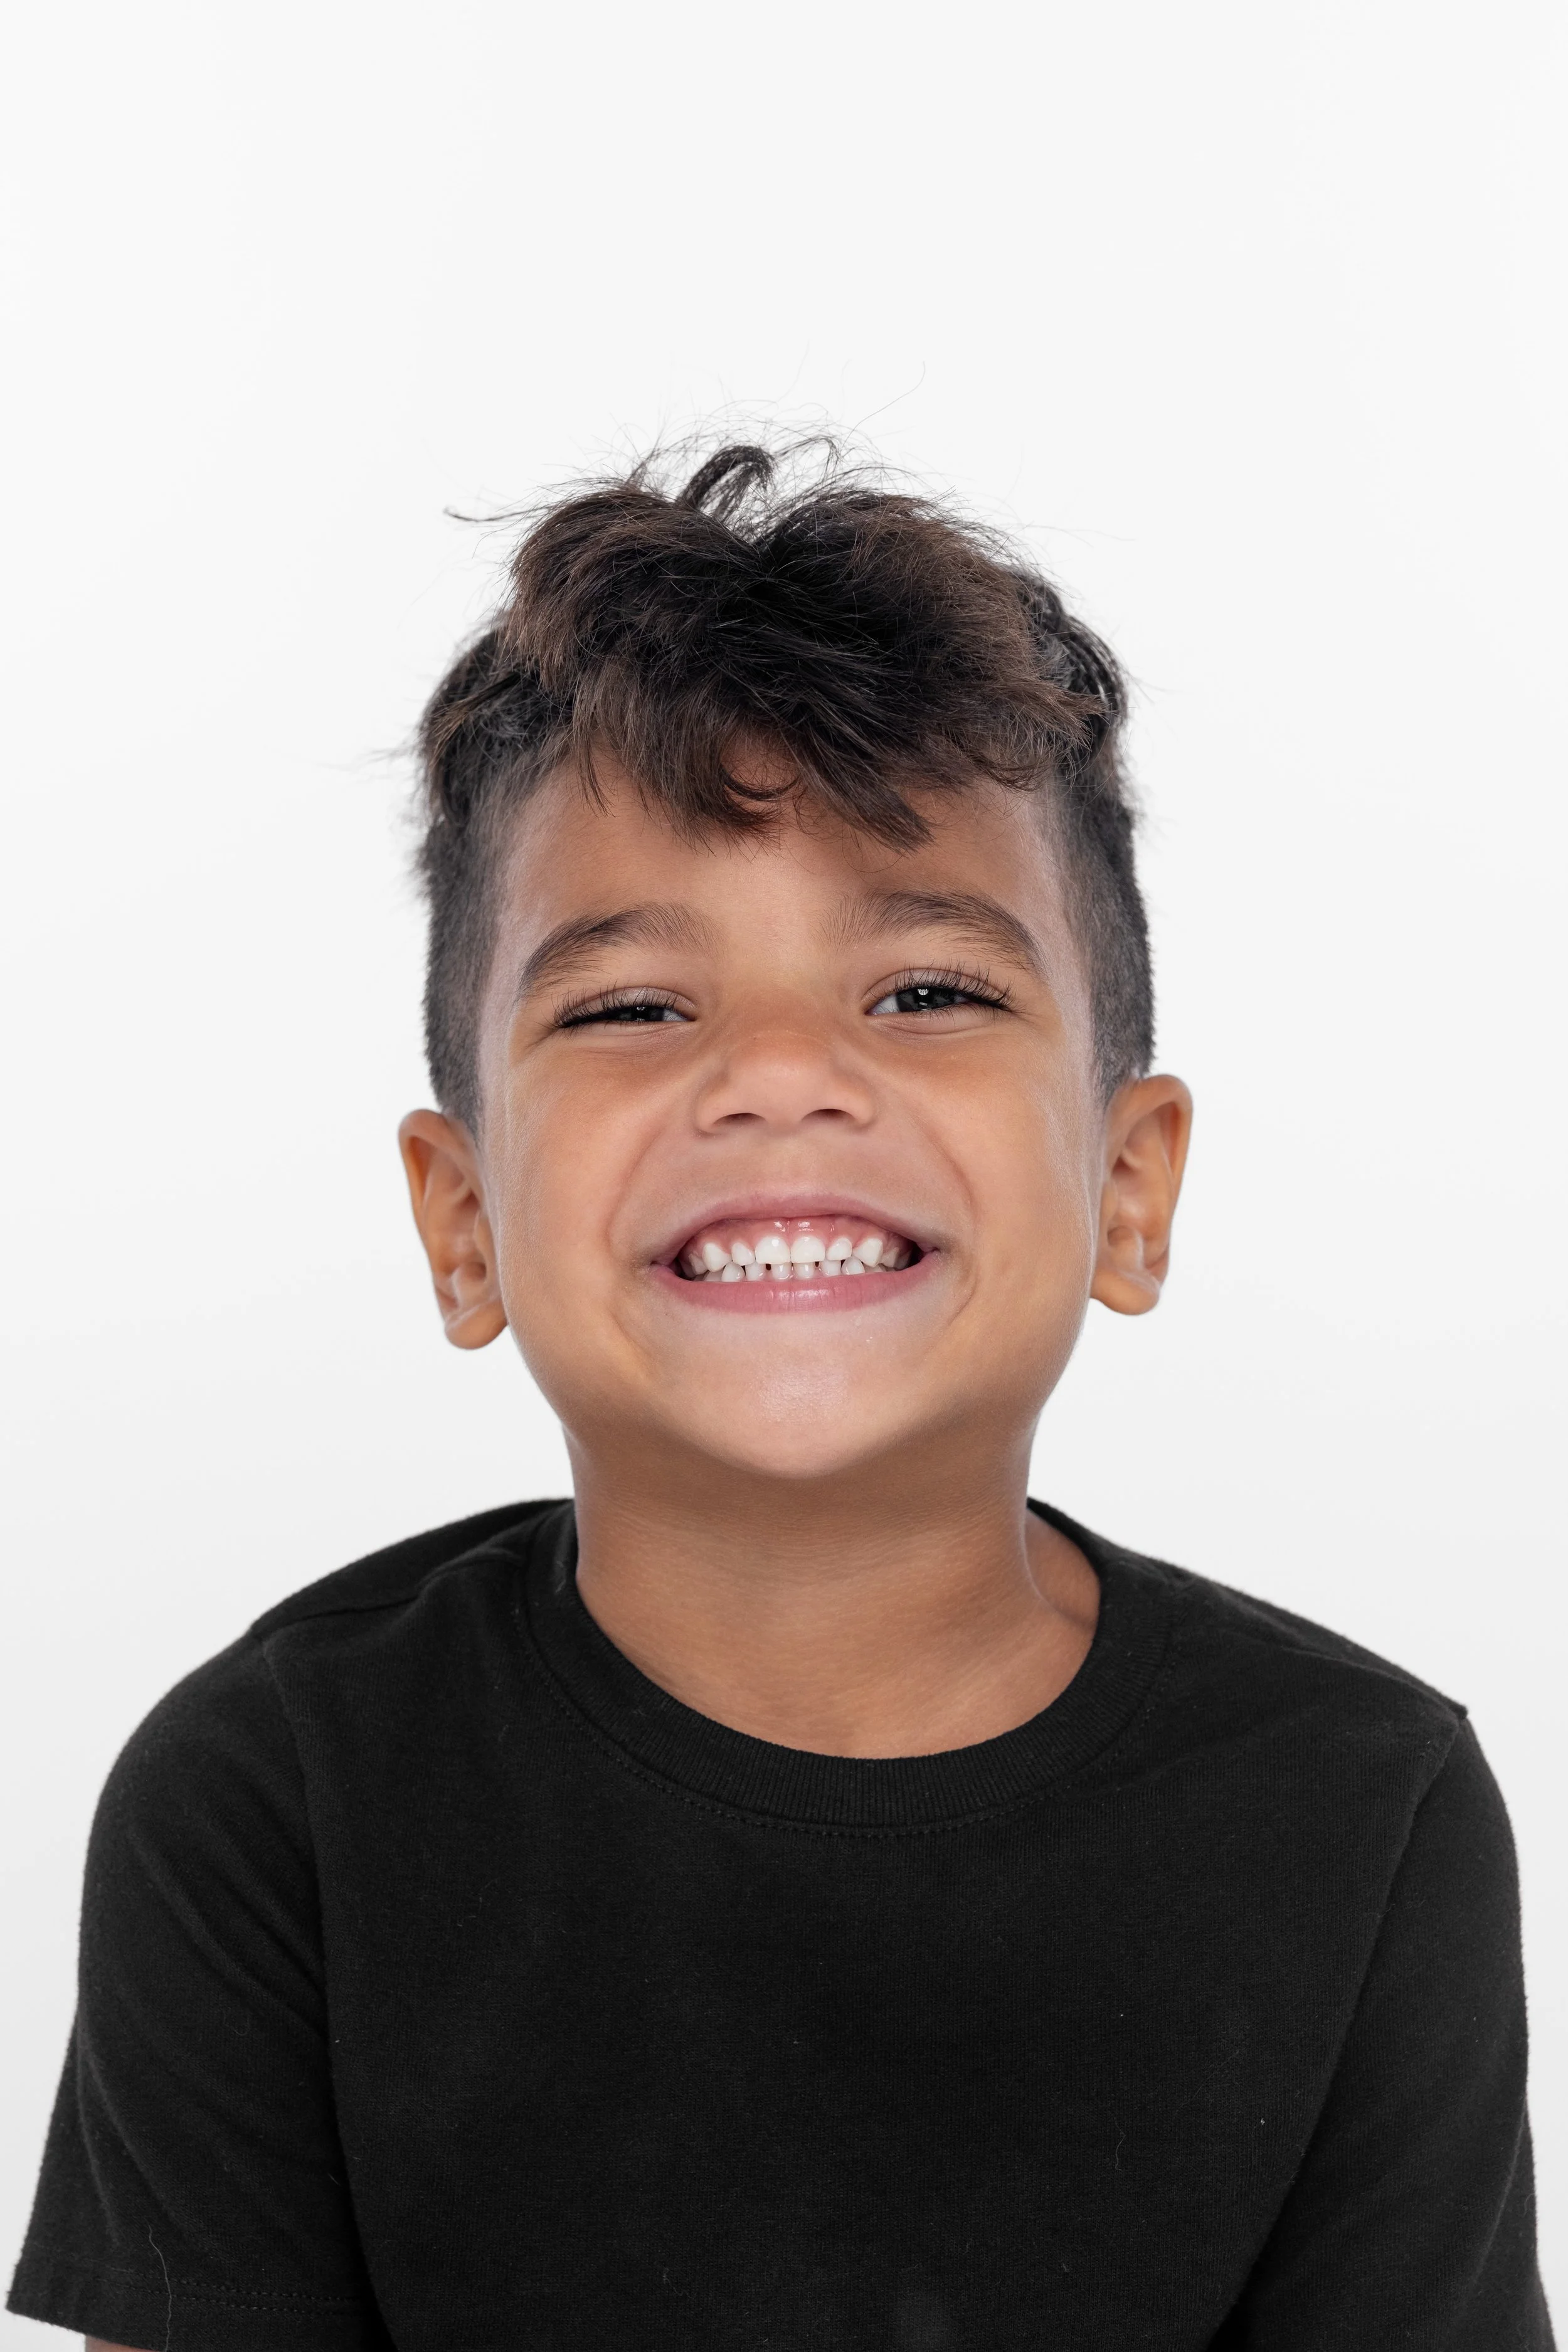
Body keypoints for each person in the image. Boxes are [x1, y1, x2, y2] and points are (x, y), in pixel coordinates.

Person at [9, 441, 1553, 2351]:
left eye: (924, 993)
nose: (777, 1078)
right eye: (631, 1005)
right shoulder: (272, 1801)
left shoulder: (1358, 1809)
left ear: (1126, 1189)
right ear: (465, 1218)